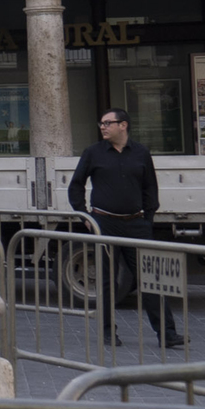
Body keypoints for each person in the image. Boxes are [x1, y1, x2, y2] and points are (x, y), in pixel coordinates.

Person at [68, 108, 186, 348]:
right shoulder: (93, 152)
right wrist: (86, 218)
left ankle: (168, 334)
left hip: (136, 224)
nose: (102, 127)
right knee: (107, 282)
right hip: (105, 224)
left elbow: (150, 189)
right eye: (101, 123)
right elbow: (76, 186)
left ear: (123, 125)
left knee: (151, 280)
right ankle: (108, 333)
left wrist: (147, 219)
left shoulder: (141, 152)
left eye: (108, 123)